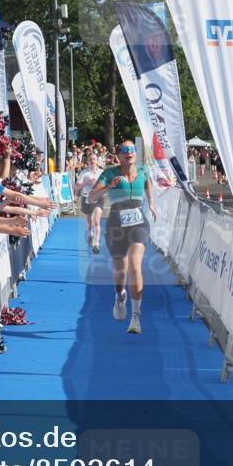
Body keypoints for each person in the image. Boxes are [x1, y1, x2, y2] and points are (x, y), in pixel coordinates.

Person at [88, 140, 157, 335]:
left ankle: (136, 317)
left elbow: (148, 183)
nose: (129, 152)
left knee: (135, 266)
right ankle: (120, 296)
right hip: (116, 225)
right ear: (118, 155)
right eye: (124, 150)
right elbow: (92, 197)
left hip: (138, 224)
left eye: (132, 149)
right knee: (121, 270)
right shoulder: (110, 173)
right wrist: (109, 186)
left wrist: (151, 203)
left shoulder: (143, 170)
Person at [75, 152, 104, 252]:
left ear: (97, 161)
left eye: (94, 159)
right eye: (90, 159)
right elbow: (76, 186)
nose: (92, 161)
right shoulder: (84, 173)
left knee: (96, 221)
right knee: (89, 222)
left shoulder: (102, 172)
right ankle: (90, 233)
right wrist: (87, 182)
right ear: (87, 161)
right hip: (86, 197)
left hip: (99, 198)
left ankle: (96, 244)